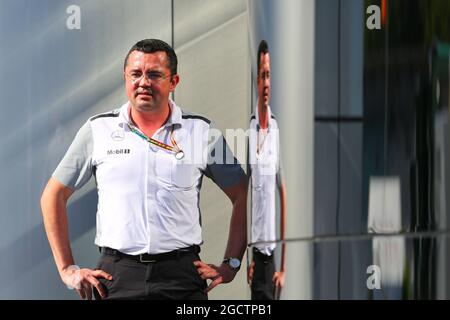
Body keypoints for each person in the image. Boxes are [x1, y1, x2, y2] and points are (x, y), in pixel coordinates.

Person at [40, 39, 247, 300]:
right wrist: (67, 269)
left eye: (154, 74)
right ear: (125, 78)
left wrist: (232, 264)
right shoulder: (98, 130)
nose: (144, 82)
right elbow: (53, 195)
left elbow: (243, 194)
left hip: (181, 278)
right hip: (116, 278)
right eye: (135, 74)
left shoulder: (201, 132)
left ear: (173, 82)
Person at [247, 40, 287, 300]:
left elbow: (283, 196)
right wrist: (245, 258)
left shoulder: (274, 129)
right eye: (262, 75)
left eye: (269, 75)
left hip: (271, 260)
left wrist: (283, 267)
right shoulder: (249, 129)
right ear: (256, 82)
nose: (267, 82)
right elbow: (245, 198)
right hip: (255, 260)